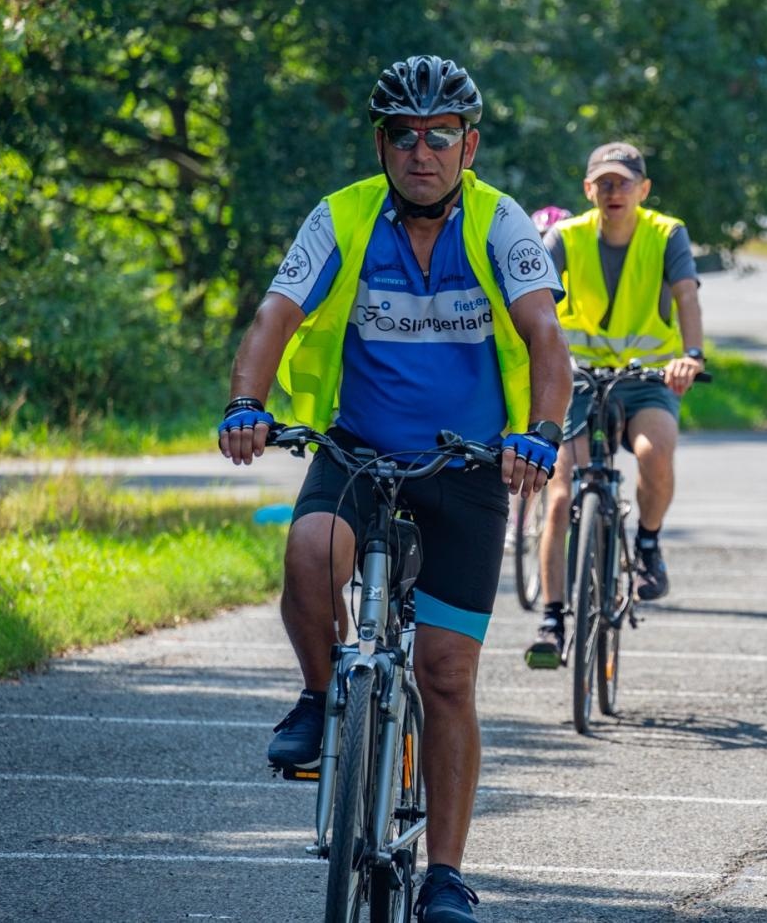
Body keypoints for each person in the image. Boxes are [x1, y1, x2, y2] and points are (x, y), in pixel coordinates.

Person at [217, 55, 572, 922]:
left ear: (468, 144)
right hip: (360, 451)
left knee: (446, 674)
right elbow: (276, 315)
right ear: (382, 144)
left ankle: (445, 874)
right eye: (405, 136)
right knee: (308, 552)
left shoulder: (500, 222)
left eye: (439, 136)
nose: (422, 152)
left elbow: (542, 335)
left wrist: (542, 433)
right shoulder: (339, 216)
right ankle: (316, 692)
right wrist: (246, 404)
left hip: (468, 470)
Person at [524, 142, 705, 666]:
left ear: (643, 189)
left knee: (654, 452)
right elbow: (533, 301)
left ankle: (647, 545)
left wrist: (690, 355)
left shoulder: (666, 233)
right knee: (558, 495)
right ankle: (553, 618)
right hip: (576, 380)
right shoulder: (566, 237)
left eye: (624, 182)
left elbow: (688, 296)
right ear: (588, 190)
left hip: (645, 379)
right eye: (603, 182)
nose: (614, 191)